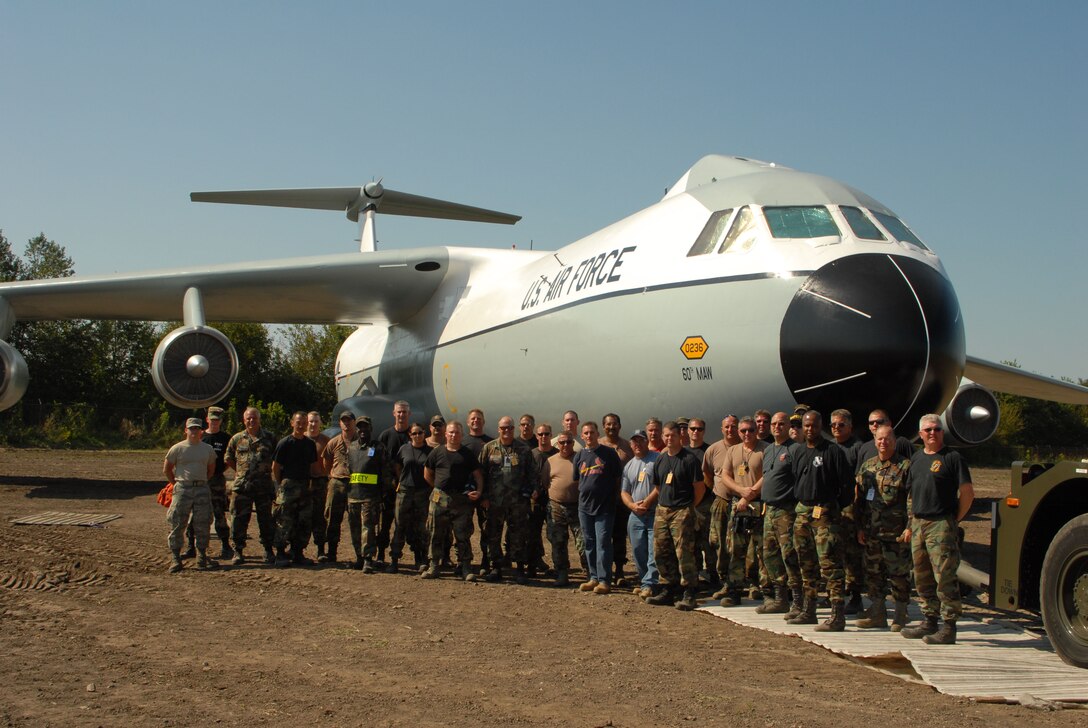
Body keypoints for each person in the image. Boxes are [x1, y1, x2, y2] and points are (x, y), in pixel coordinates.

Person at [901, 414, 974, 645]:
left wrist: (954, 520)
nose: (933, 433)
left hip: (941, 523)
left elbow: (967, 492)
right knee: (922, 576)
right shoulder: (916, 459)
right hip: (919, 524)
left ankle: (949, 626)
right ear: (920, 434)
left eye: (937, 429)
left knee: (944, 576)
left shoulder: (952, 458)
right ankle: (929, 620)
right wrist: (911, 523)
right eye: (928, 430)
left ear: (942, 432)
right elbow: (911, 495)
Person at [788, 410, 850, 631]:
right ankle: (809, 609)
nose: (809, 430)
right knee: (806, 563)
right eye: (806, 426)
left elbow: (846, 487)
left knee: (830, 565)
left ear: (820, 426)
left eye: (813, 426)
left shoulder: (833, 451)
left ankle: (837, 615)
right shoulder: (799, 452)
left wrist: (832, 508)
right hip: (803, 511)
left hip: (825, 511)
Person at [854, 424, 912, 631]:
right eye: (879, 439)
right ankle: (877, 613)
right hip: (872, 532)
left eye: (887, 439)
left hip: (896, 533)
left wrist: (909, 527)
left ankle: (900, 614)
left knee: (899, 575)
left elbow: (911, 500)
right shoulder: (867, 466)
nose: (883, 442)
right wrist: (859, 527)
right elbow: (859, 499)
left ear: (894, 441)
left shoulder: (905, 466)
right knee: (873, 574)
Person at [646, 421, 705, 610]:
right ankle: (668, 588)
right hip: (663, 510)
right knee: (661, 551)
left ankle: (689, 591)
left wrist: (689, 507)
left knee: (684, 553)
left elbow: (699, 488)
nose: (669, 439)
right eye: (666, 436)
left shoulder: (689, 459)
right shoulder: (661, 460)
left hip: (682, 510)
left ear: (680, 436)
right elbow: (658, 486)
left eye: (672, 435)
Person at [422, 421, 484, 581]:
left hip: (461, 500)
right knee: (436, 532)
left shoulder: (467, 454)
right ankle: (434, 565)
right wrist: (437, 488)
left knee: (462, 534)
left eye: (456, 432)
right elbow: (427, 473)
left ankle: (465, 567)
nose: (453, 435)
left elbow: (478, 475)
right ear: (446, 434)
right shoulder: (437, 452)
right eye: (450, 432)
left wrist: (479, 492)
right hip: (440, 498)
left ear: (461, 435)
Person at [718, 416, 768, 606]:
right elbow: (725, 475)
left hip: (758, 504)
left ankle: (768, 590)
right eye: (743, 431)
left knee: (762, 550)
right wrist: (740, 492)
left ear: (757, 431)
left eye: (751, 430)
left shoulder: (765, 449)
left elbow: (767, 475)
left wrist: (750, 495)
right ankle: (734, 590)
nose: (747, 434)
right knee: (736, 550)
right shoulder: (733, 450)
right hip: (738, 505)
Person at [479, 416, 536, 583]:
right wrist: (483, 496)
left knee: (518, 534)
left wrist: (533, 492)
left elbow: (532, 474)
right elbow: (480, 474)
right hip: (494, 502)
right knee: (493, 534)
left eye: (509, 428)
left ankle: (519, 569)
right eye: (503, 428)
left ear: (514, 429)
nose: (506, 431)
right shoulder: (489, 448)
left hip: (517, 502)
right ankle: (496, 568)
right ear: (498, 429)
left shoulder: (524, 450)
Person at [759, 412, 802, 616]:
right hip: (770, 511)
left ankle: (798, 601)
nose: (777, 427)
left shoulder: (795, 450)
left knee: (790, 555)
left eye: (781, 424)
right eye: (774, 424)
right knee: (770, 555)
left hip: (787, 511)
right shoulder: (768, 450)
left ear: (788, 427)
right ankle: (780, 598)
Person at [573, 422, 623, 595]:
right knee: (589, 543)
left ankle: (604, 580)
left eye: (592, 432)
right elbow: (578, 480)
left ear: (597, 434)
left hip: (605, 507)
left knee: (603, 543)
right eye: (586, 433)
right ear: (582, 436)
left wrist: (612, 497)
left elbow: (618, 478)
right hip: (585, 507)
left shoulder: (609, 454)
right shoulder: (579, 456)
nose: (589, 436)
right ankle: (593, 577)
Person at [225, 406, 278, 565]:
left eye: (254, 417)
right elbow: (228, 458)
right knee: (239, 520)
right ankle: (238, 551)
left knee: (266, 520)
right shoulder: (236, 438)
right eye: (248, 418)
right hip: (242, 487)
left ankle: (268, 550)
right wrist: (242, 472)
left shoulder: (270, 438)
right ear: (244, 420)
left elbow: (277, 459)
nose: (251, 420)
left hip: (263, 487)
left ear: (259, 419)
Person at [164, 418, 217, 572]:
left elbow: (211, 470)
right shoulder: (177, 448)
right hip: (183, 488)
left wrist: (201, 482)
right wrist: (176, 484)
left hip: (201, 488)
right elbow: (167, 469)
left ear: (201, 431)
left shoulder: (207, 449)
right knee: (178, 522)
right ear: (186, 430)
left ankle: (201, 555)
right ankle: (175, 557)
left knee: (203, 523)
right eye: (191, 428)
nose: (194, 431)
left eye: (197, 429)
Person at [345, 416, 392, 572]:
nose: (362, 430)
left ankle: (368, 558)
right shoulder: (351, 448)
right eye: (360, 427)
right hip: (353, 495)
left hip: (370, 496)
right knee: (354, 528)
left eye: (365, 427)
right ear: (356, 430)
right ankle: (358, 556)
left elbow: (385, 473)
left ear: (371, 428)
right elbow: (348, 471)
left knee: (368, 528)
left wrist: (383, 494)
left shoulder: (378, 448)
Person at [830, 408, 865, 616]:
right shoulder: (830, 447)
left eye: (841, 425)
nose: (836, 428)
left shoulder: (857, 448)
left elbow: (859, 481)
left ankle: (855, 596)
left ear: (850, 427)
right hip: (833, 507)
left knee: (852, 554)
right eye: (833, 425)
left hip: (850, 508)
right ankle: (837, 594)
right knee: (834, 552)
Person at [272, 411, 318, 567]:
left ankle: (298, 553)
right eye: (298, 422)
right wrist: (281, 485)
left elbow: (312, 466)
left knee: (303, 521)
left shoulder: (310, 444)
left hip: (304, 486)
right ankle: (280, 553)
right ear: (292, 423)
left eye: (304, 422)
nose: (302, 425)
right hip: (288, 486)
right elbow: (276, 467)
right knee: (284, 520)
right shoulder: (284, 443)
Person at [620, 429, 659, 599]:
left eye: (641, 440)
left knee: (652, 550)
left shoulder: (657, 460)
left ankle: (650, 584)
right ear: (630, 444)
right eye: (634, 441)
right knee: (637, 550)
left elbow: (661, 486)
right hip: (636, 515)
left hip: (654, 512)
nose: (637, 444)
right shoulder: (629, 465)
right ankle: (644, 582)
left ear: (647, 441)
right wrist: (632, 505)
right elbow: (624, 491)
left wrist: (648, 501)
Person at [390, 422, 433, 574]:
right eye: (414, 433)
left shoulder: (430, 451)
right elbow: (397, 466)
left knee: (421, 526)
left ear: (424, 433)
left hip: (423, 492)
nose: (417, 436)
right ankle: (394, 559)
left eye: (420, 433)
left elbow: (433, 470)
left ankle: (421, 558)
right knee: (400, 524)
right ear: (410, 435)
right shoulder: (404, 449)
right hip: (405, 491)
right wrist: (401, 480)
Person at [542, 431, 583, 586]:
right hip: (556, 506)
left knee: (583, 542)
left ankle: (589, 573)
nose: (565, 445)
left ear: (573, 443)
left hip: (577, 507)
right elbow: (546, 483)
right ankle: (562, 573)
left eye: (569, 442)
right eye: (562, 442)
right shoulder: (550, 461)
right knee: (558, 542)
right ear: (557, 444)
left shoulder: (580, 459)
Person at [377, 400, 412, 564]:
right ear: (394, 413)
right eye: (399, 412)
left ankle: (413, 556)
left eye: (404, 412)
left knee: (407, 524)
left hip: (408, 488)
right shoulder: (385, 435)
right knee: (385, 523)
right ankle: (380, 554)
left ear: (409, 414)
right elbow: (377, 461)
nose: (401, 415)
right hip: (388, 488)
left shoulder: (415, 434)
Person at [320, 411, 358, 563]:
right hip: (337, 483)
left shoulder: (360, 442)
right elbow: (326, 461)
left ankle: (359, 555)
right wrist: (332, 474)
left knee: (355, 521)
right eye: (343, 421)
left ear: (354, 422)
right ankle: (332, 552)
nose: (346, 423)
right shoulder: (334, 442)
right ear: (340, 423)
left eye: (349, 421)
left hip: (355, 484)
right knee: (332, 519)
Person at [600, 413, 633, 585]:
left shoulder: (628, 447)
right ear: (603, 426)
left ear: (620, 426)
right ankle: (603, 572)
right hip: (603, 499)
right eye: (608, 424)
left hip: (621, 498)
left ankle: (619, 571)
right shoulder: (597, 445)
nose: (611, 427)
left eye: (614, 424)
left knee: (619, 535)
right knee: (603, 536)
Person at [198, 406, 232, 560]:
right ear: (207, 420)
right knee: (197, 515)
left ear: (221, 421)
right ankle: (193, 547)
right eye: (212, 419)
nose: (214, 422)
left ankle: (225, 545)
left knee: (219, 513)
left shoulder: (226, 438)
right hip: (200, 480)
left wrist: (218, 471)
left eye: (217, 420)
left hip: (217, 480)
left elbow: (228, 460)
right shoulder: (200, 436)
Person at [686, 417, 715, 589]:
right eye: (693, 428)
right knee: (691, 543)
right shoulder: (683, 452)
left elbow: (712, 477)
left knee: (708, 542)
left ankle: (713, 576)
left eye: (699, 429)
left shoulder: (709, 451)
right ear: (688, 431)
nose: (696, 432)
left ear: (704, 431)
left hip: (705, 504)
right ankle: (695, 577)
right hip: (688, 504)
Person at [525, 422, 556, 578]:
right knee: (532, 535)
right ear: (536, 436)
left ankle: (559, 566)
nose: (544, 437)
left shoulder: (558, 454)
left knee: (555, 535)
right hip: (535, 501)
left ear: (551, 435)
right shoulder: (531, 455)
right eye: (541, 434)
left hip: (553, 502)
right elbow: (524, 477)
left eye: (547, 434)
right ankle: (532, 565)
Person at [306, 411, 331, 561]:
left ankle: (321, 549)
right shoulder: (298, 438)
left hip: (320, 483)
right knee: (300, 517)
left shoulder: (326, 441)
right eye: (311, 421)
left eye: (316, 421)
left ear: (320, 423)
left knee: (320, 518)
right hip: (303, 482)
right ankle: (297, 548)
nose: (313, 424)